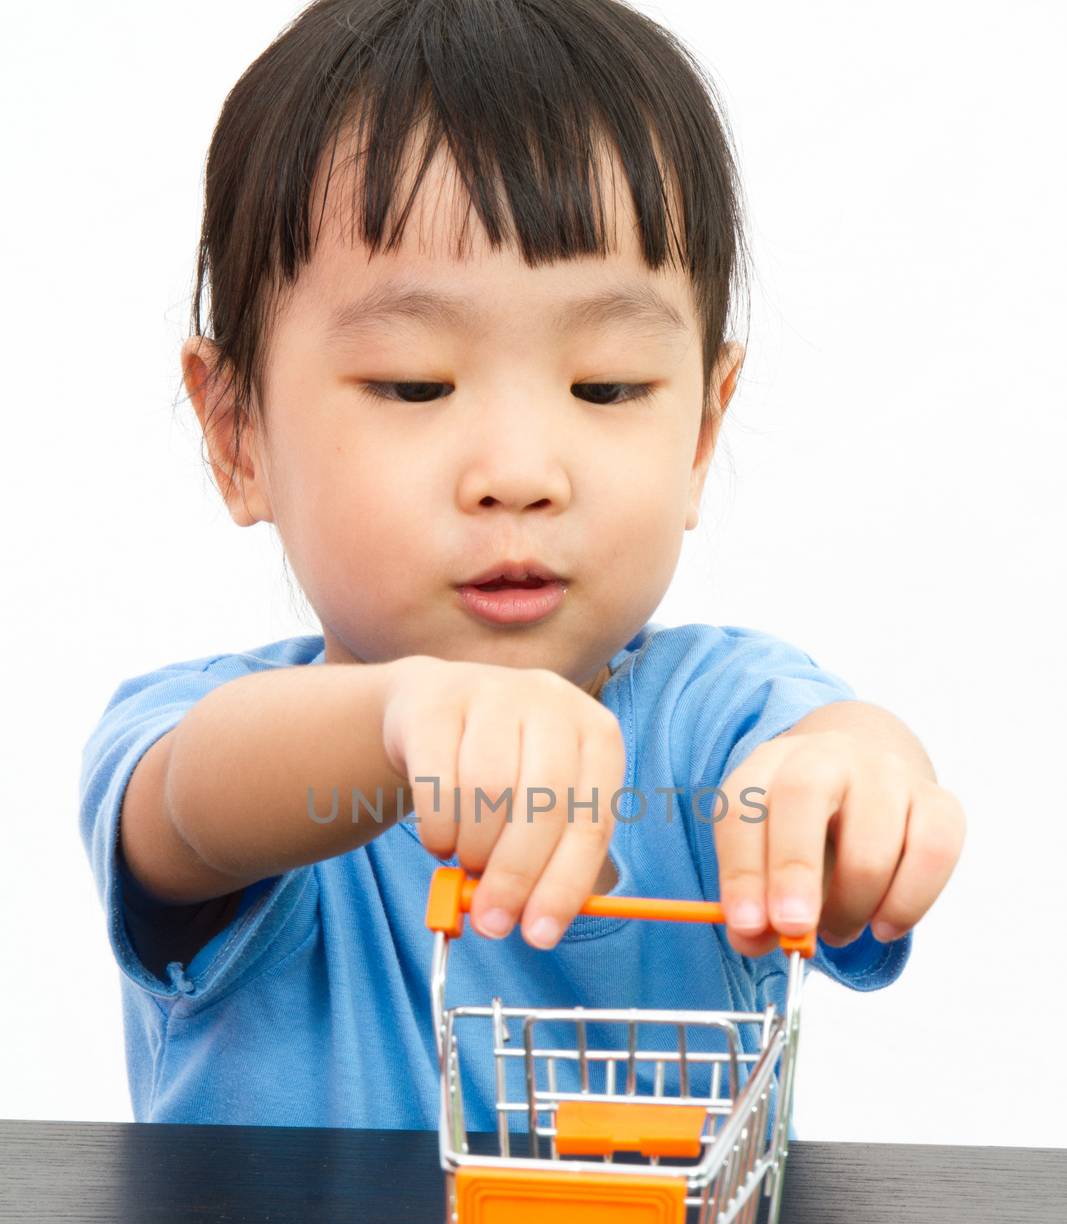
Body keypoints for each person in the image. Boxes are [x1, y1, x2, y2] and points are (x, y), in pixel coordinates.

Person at [79, 0, 965, 1130]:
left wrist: (849, 798)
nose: (517, 472)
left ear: (700, 433)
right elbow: (189, 813)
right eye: (413, 384)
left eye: (605, 387)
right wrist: (400, 719)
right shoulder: (208, 736)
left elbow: (832, 747)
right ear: (236, 433)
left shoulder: (715, 719)